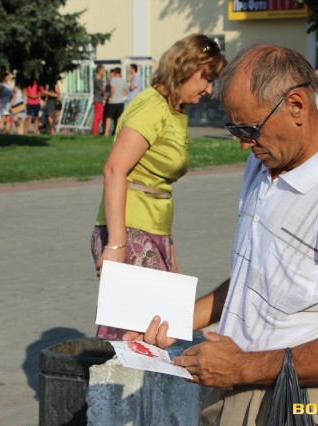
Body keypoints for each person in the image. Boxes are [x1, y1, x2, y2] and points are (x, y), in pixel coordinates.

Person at [124, 45, 318, 426]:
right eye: (235, 130)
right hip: (235, 386)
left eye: (250, 129)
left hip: (298, 400)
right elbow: (257, 277)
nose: (243, 144)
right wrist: (177, 318)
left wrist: (242, 367)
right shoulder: (264, 165)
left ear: (296, 106)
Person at [91, 34, 227, 340]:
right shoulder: (152, 106)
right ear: (184, 68)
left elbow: (158, 186)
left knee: (151, 331)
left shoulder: (172, 110)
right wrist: (116, 245)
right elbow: (114, 169)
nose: (209, 89)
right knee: (137, 333)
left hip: (153, 228)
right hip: (130, 229)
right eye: (206, 79)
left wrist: (170, 251)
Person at [103, 67, 127, 136]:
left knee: (109, 117)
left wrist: (110, 98)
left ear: (115, 73)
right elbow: (125, 91)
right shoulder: (123, 80)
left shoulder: (113, 79)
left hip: (113, 101)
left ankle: (106, 133)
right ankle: (117, 133)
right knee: (118, 117)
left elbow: (112, 89)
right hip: (121, 101)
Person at [91, 64, 106, 135]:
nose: (104, 72)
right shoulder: (97, 80)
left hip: (100, 99)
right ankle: (94, 131)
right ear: (99, 71)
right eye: (102, 70)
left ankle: (95, 130)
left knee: (100, 115)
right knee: (98, 115)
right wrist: (104, 92)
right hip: (97, 100)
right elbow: (101, 89)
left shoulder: (101, 80)